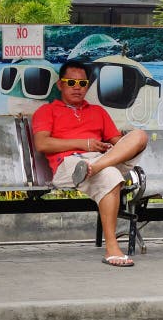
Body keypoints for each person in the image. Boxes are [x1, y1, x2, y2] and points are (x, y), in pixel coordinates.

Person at [32, 60, 148, 267]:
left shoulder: (98, 112)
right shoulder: (47, 111)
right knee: (111, 176)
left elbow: (116, 142)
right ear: (60, 85)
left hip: (99, 161)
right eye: (71, 82)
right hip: (69, 164)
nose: (77, 87)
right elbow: (42, 144)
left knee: (139, 136)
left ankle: (97, 167)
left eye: (82, 83)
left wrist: (117, 144)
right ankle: (112, 247)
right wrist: (85, 144)